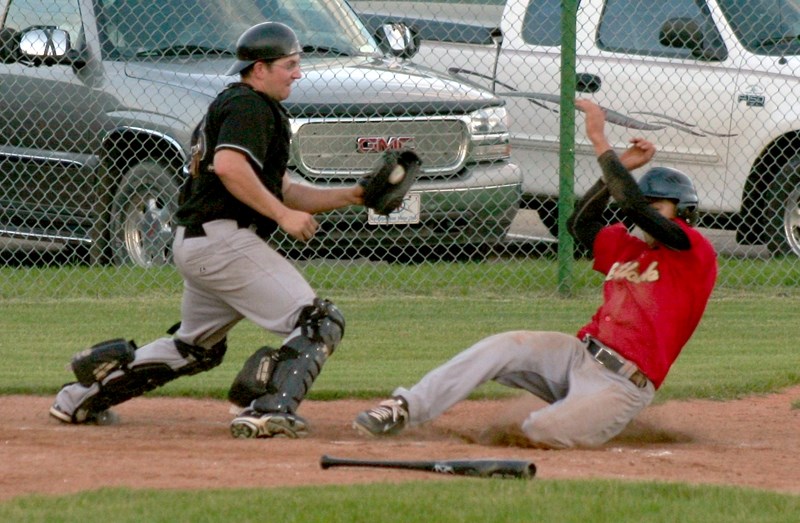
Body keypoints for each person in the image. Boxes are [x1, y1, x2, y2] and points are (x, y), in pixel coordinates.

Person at [49, 22, 365, 439]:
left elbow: (283, 188)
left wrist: (355, 195)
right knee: (318, 321)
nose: (297, 73)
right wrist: (283, 217)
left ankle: (79, 398)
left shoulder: (240, 105)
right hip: (223, 242)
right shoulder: (249, 106)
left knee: (193, 349)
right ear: (258, 68)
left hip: (205, 242)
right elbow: (231, 168)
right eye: (288, 65)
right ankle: (267, 408)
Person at [353, 98, 718, 449]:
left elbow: (633, 205)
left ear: (682, 213)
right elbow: (580, 223)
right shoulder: (629, 248)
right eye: (649, 203)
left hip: (623, 383)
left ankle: (589, 417)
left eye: (660, 206)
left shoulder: (692, 252)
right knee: (500, 347)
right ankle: (404, 408)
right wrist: (617, 167)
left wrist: (599, 140)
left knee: (540, 431)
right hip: (578, 355)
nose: (650, 213)